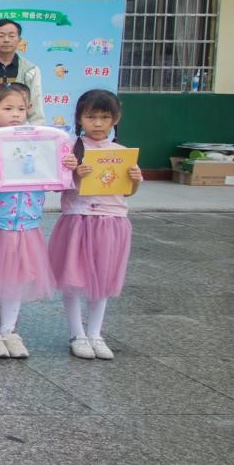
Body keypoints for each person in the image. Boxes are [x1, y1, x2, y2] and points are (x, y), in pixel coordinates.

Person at [51, 89, 142, 360]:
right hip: (78, 219)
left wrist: (135, 179)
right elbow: (59, 186)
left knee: (102, 279)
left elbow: (127, 192)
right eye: (91, 117)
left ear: (116, 119)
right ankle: (77, 333)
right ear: (80, 118)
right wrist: (75, 173)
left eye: (105, 117)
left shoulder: (122, 153)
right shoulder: (71, 150)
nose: (98, 123)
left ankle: (95, 334)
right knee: (73, 278)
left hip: (112, 221)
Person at [0, 85, 58, 359]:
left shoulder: (39, 142)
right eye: (8, 108)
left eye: (21, 109)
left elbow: (54, 175)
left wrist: (65, 163)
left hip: (26, 222)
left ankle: (9, 330)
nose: (15, 115)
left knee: (17, 278)